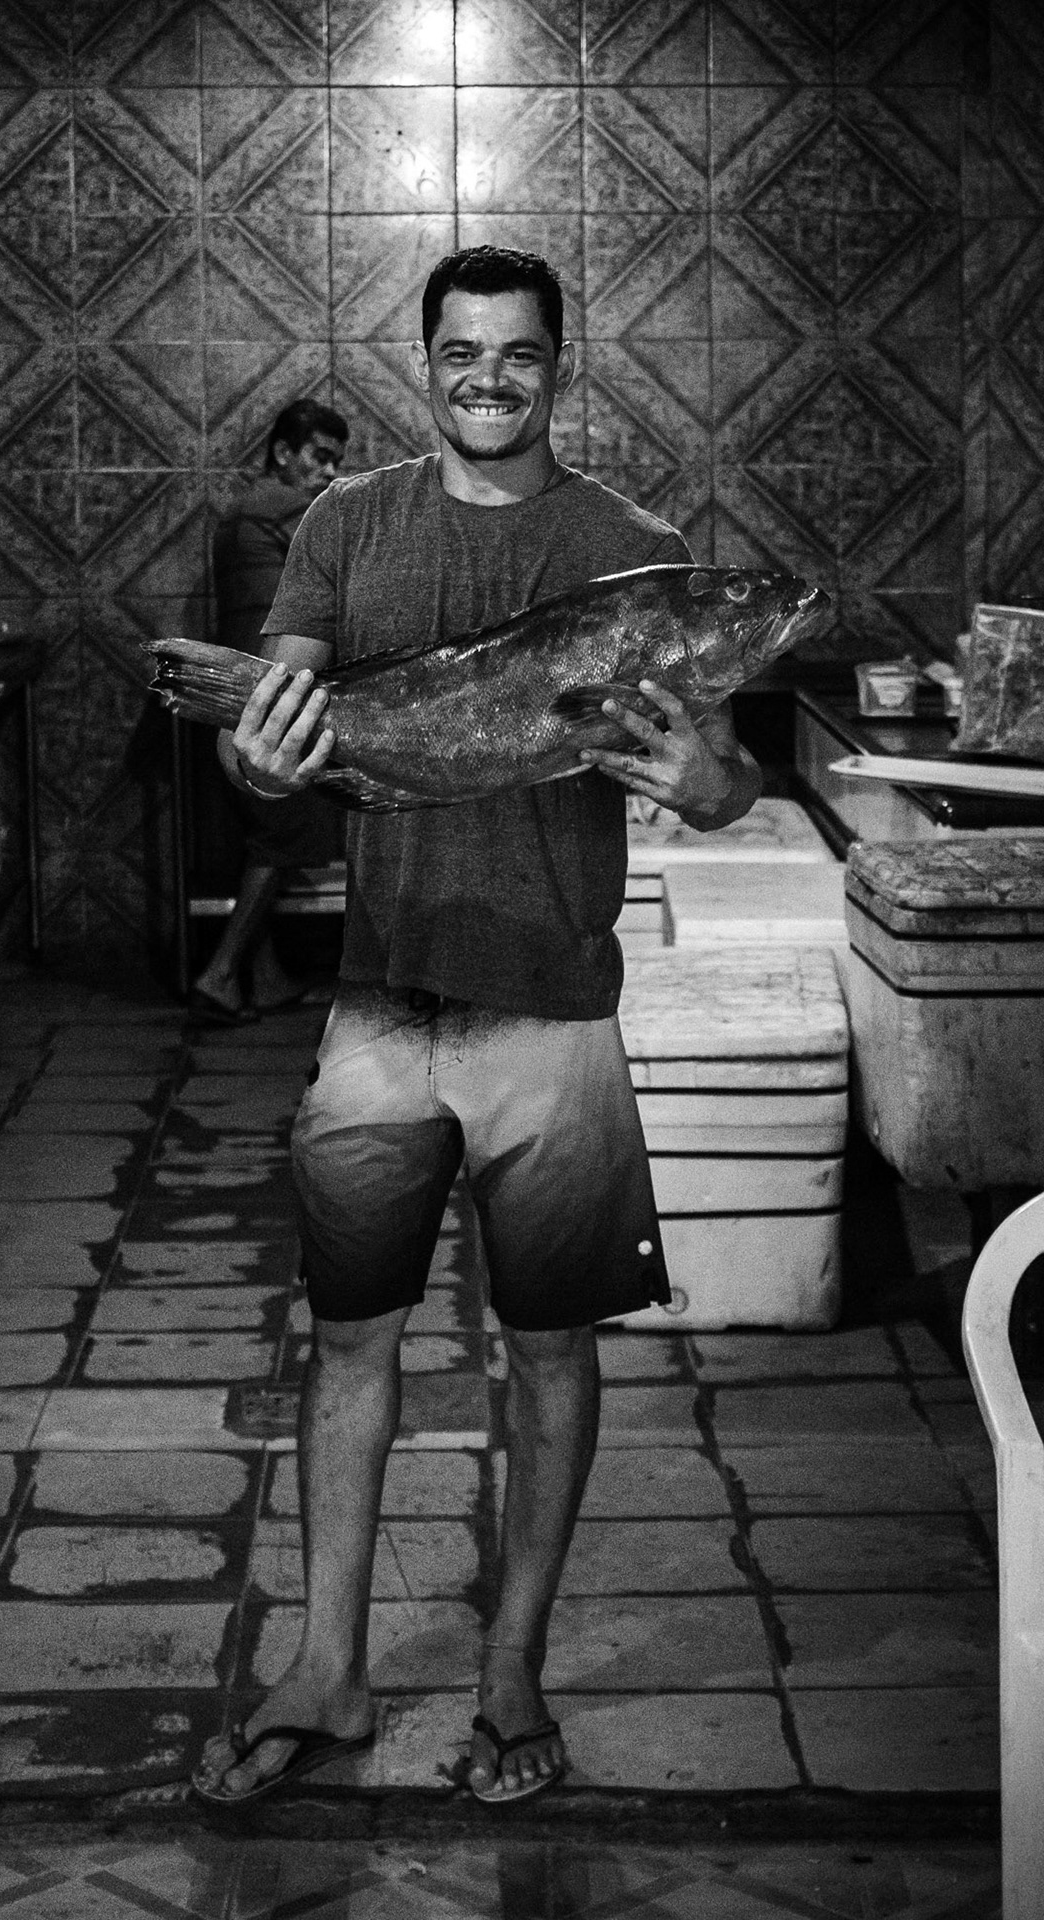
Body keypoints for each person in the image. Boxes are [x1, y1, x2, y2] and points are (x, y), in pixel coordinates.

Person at [191, 247, 762, 1806]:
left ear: (558, 365)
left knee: (551, 1349)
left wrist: (709, 787)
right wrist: (256, 752)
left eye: (518, 353)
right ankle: (331, 1668)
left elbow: (725, 776)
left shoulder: (633, 555)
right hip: (382, 1000)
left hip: (554, 1008)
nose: (488, 377)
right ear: (426, 361)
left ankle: (511, 1671)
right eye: (462, 352)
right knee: (349, 1336)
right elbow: (278, 722)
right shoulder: (346, 523)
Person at [188, 399, 349, 1024]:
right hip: (272, 696)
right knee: (286, 837)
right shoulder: (290, 509)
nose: (330, 473)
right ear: (283, 453)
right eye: (320, 457)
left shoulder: (240, 512)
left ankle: (267, 977)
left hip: (233, 693)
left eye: (337, 461)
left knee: (268, 835)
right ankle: (221, 974)